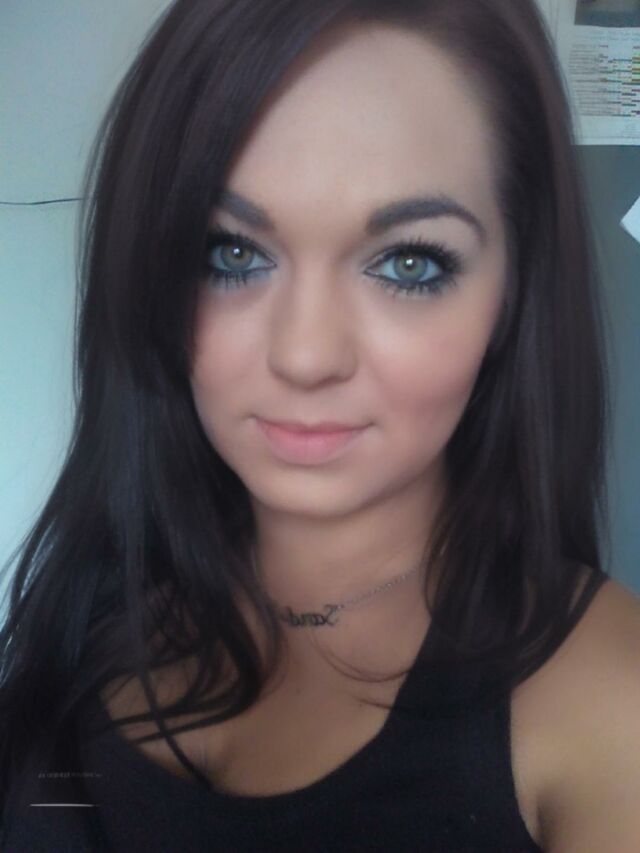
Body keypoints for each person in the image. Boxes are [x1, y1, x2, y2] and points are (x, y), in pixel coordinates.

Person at [1, 0, 639, 850]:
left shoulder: (605, 699)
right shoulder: (93, 607)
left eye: (408, 263)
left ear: (512, 296)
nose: (305, 355)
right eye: (231, 252)